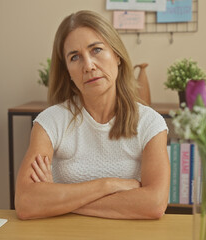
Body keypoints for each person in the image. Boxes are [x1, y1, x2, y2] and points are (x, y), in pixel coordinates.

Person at [15, 10, 170, 220]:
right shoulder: (50, 122)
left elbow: (154, 204)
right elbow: (26, 202)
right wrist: (109, 184)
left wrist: (58, 198)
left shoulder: (150, 123)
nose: (88, 66)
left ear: (117, 56)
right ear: (67, 71)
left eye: (96, 50)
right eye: (75, 57)